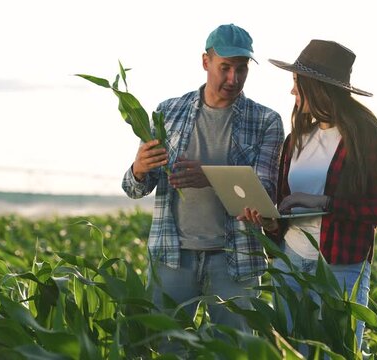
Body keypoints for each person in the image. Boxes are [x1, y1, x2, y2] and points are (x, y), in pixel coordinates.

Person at [121, 23, 284, 339]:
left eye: (241, 69)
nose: (233, 79)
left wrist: (209, 175)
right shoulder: (168, 112)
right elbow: (134, 188)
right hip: (172, 256)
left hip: (235, 258)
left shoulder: (266, 121)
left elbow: (265, 193)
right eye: (225, 68)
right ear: (205, 62)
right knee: (163, 346)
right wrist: (139, 169)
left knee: (236, 349)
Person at [237, 39, 377, 351]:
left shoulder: (367, 137)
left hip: (340, 265)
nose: (292, 92)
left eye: (297, 83)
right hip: (290, 261)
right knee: (290, 352)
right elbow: (286, 210)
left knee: (338, 352)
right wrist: (268, 221)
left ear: (316, 87)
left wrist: (326, 204)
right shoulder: (296, 138)